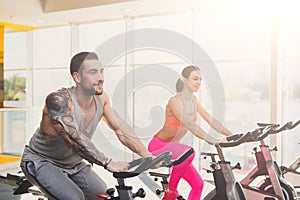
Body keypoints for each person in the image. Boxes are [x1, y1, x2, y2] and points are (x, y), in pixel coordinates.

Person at [20, 52, 152, 200]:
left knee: (103, 196)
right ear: (77, 77)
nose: (101, 78)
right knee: (75, 198)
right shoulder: (58, 100)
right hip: (43, 161)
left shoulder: (101, 98)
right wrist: (107, 162)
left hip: (74, 164)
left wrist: (147, 156)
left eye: (101, 71)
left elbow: (120, 128)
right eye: (93, 72)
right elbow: (74, 138)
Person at [148, 66, 233, 200]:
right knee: (190, 152)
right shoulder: (174, 101)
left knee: (198, 184)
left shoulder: (194, 101)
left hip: (175, 150)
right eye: (195, 78)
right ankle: (171, 190)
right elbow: (190, 125)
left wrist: (231, 135)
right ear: (184, 80)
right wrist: (213, 140)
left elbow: (211, 120)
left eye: (200, 79)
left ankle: (169, 195)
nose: (198, 82)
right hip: (159, 145)